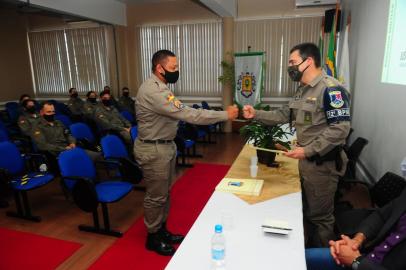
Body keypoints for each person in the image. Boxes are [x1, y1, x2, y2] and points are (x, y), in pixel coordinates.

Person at [243, 42, 351, 247]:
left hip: (322, 165)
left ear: (308, 61)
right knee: (307, 211)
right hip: (306, 161)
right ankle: (307, 251)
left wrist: (307, 150)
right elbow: (283, 114)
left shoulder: (331, 89)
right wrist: (256, 114)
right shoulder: (302, 90)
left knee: (320, 217)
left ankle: (323, 259)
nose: (289, 67)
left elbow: (340, 129)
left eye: (292, 62)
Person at [134, 49, 238, 256]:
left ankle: (161, 230)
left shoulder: (162, 87)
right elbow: (188, 114)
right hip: (154, 149)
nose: (176, 71)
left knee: (165, 192)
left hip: (164, 146)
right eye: (173, 68)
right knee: (156, 196)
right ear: (159, 68)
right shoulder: (154, 91)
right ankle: (153, 237)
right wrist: (225, 114)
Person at [306, 188, 406, 270]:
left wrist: (356, 261)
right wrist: (357, 240)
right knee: (300, 258)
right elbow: (382, 216)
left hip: (363, 264)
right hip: (365, 258)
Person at [31, 101, 101, 172]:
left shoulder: (58, 122)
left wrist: (72, 142)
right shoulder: (37, 127)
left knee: (97, 156)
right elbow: (43, 145)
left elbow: (68, 134)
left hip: (69, 148)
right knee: (85, 160)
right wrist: (63, 148)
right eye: (49, 112)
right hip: (55, 153)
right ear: (41, 112)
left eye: (53, 112)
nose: (52, 114)